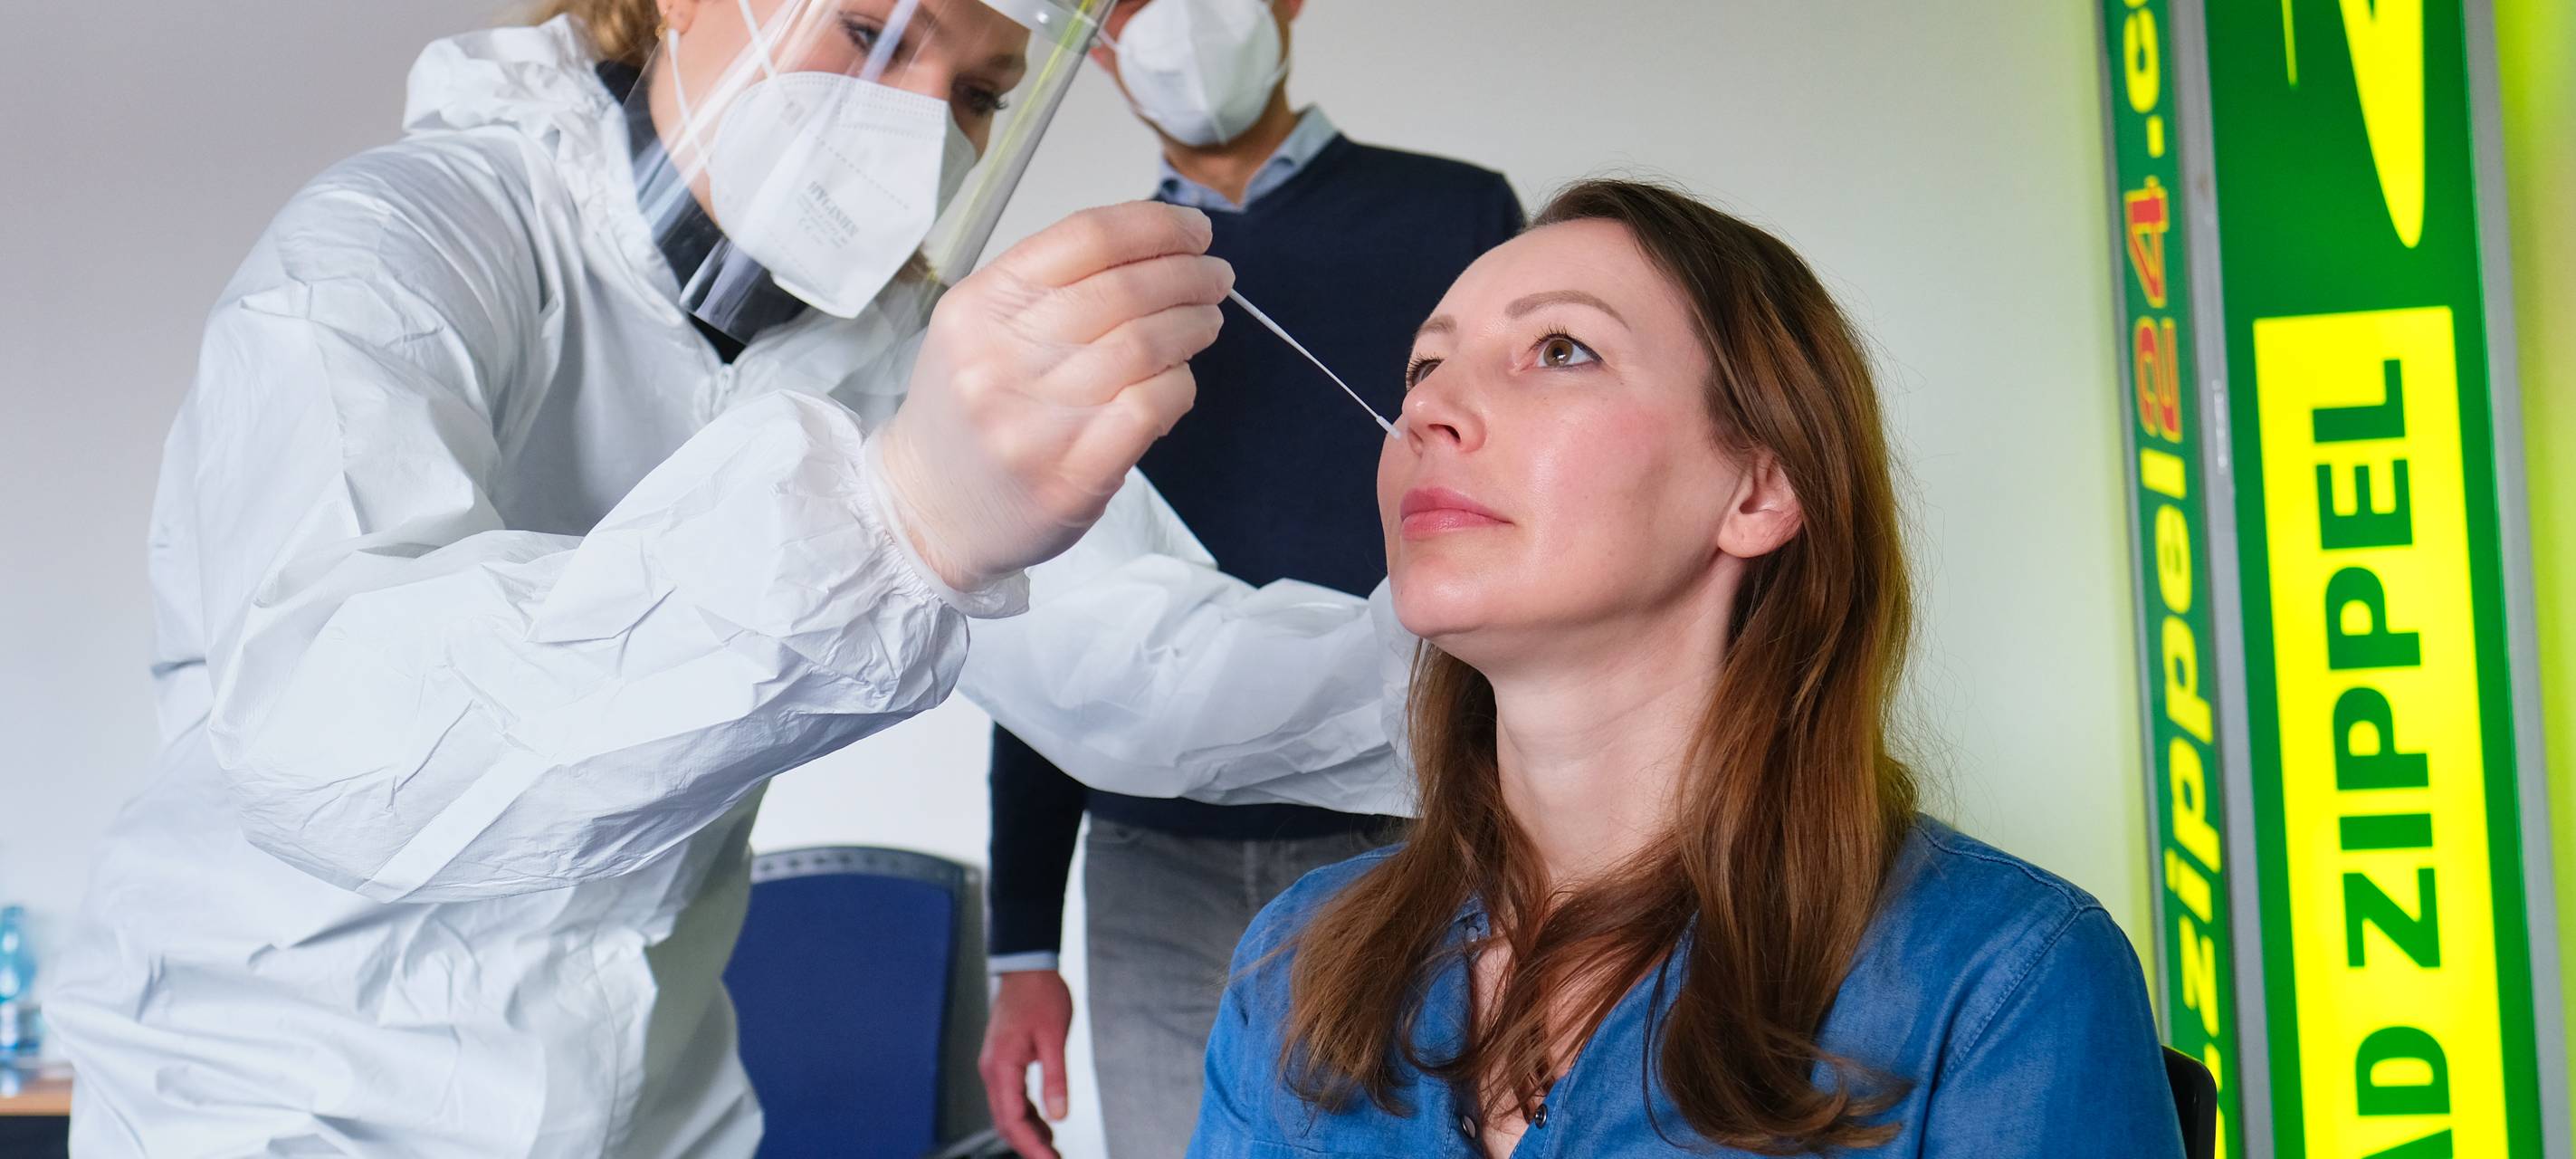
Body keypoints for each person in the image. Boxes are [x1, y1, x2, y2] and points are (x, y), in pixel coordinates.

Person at [47, 2, 1397, 1154]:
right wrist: (886, 521)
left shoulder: (872, 354)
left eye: (980, 93)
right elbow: (329, 732)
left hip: (649, 1107)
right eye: (874, 34)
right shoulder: (405, 245)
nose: (921, 123)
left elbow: (1142, 660)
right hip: (276, 1106)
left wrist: (1470, 694)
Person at [1190, 180, 2187, 1156]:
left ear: (1757, 487)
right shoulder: (1297, 963)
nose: (1426, 413)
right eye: (1420, 368)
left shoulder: (2003, 980)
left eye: (1558, 350)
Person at [973, 1, 1520, 1154]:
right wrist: (1022, 944)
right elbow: (1043, 611)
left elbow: (1522, 532)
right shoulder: (1090, 277)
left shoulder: (1458, 216)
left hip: (1404, 832)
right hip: (1149, 868)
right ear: (1090, 37)